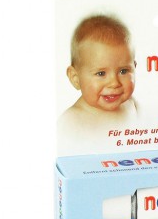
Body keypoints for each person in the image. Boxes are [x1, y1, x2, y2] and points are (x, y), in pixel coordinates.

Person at [58, 15, 138, 153]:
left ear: (134, 68)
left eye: (123, 71)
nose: (114, 83)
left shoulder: (131, 104)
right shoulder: (71, 121)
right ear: (76, 78)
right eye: (101, 73)